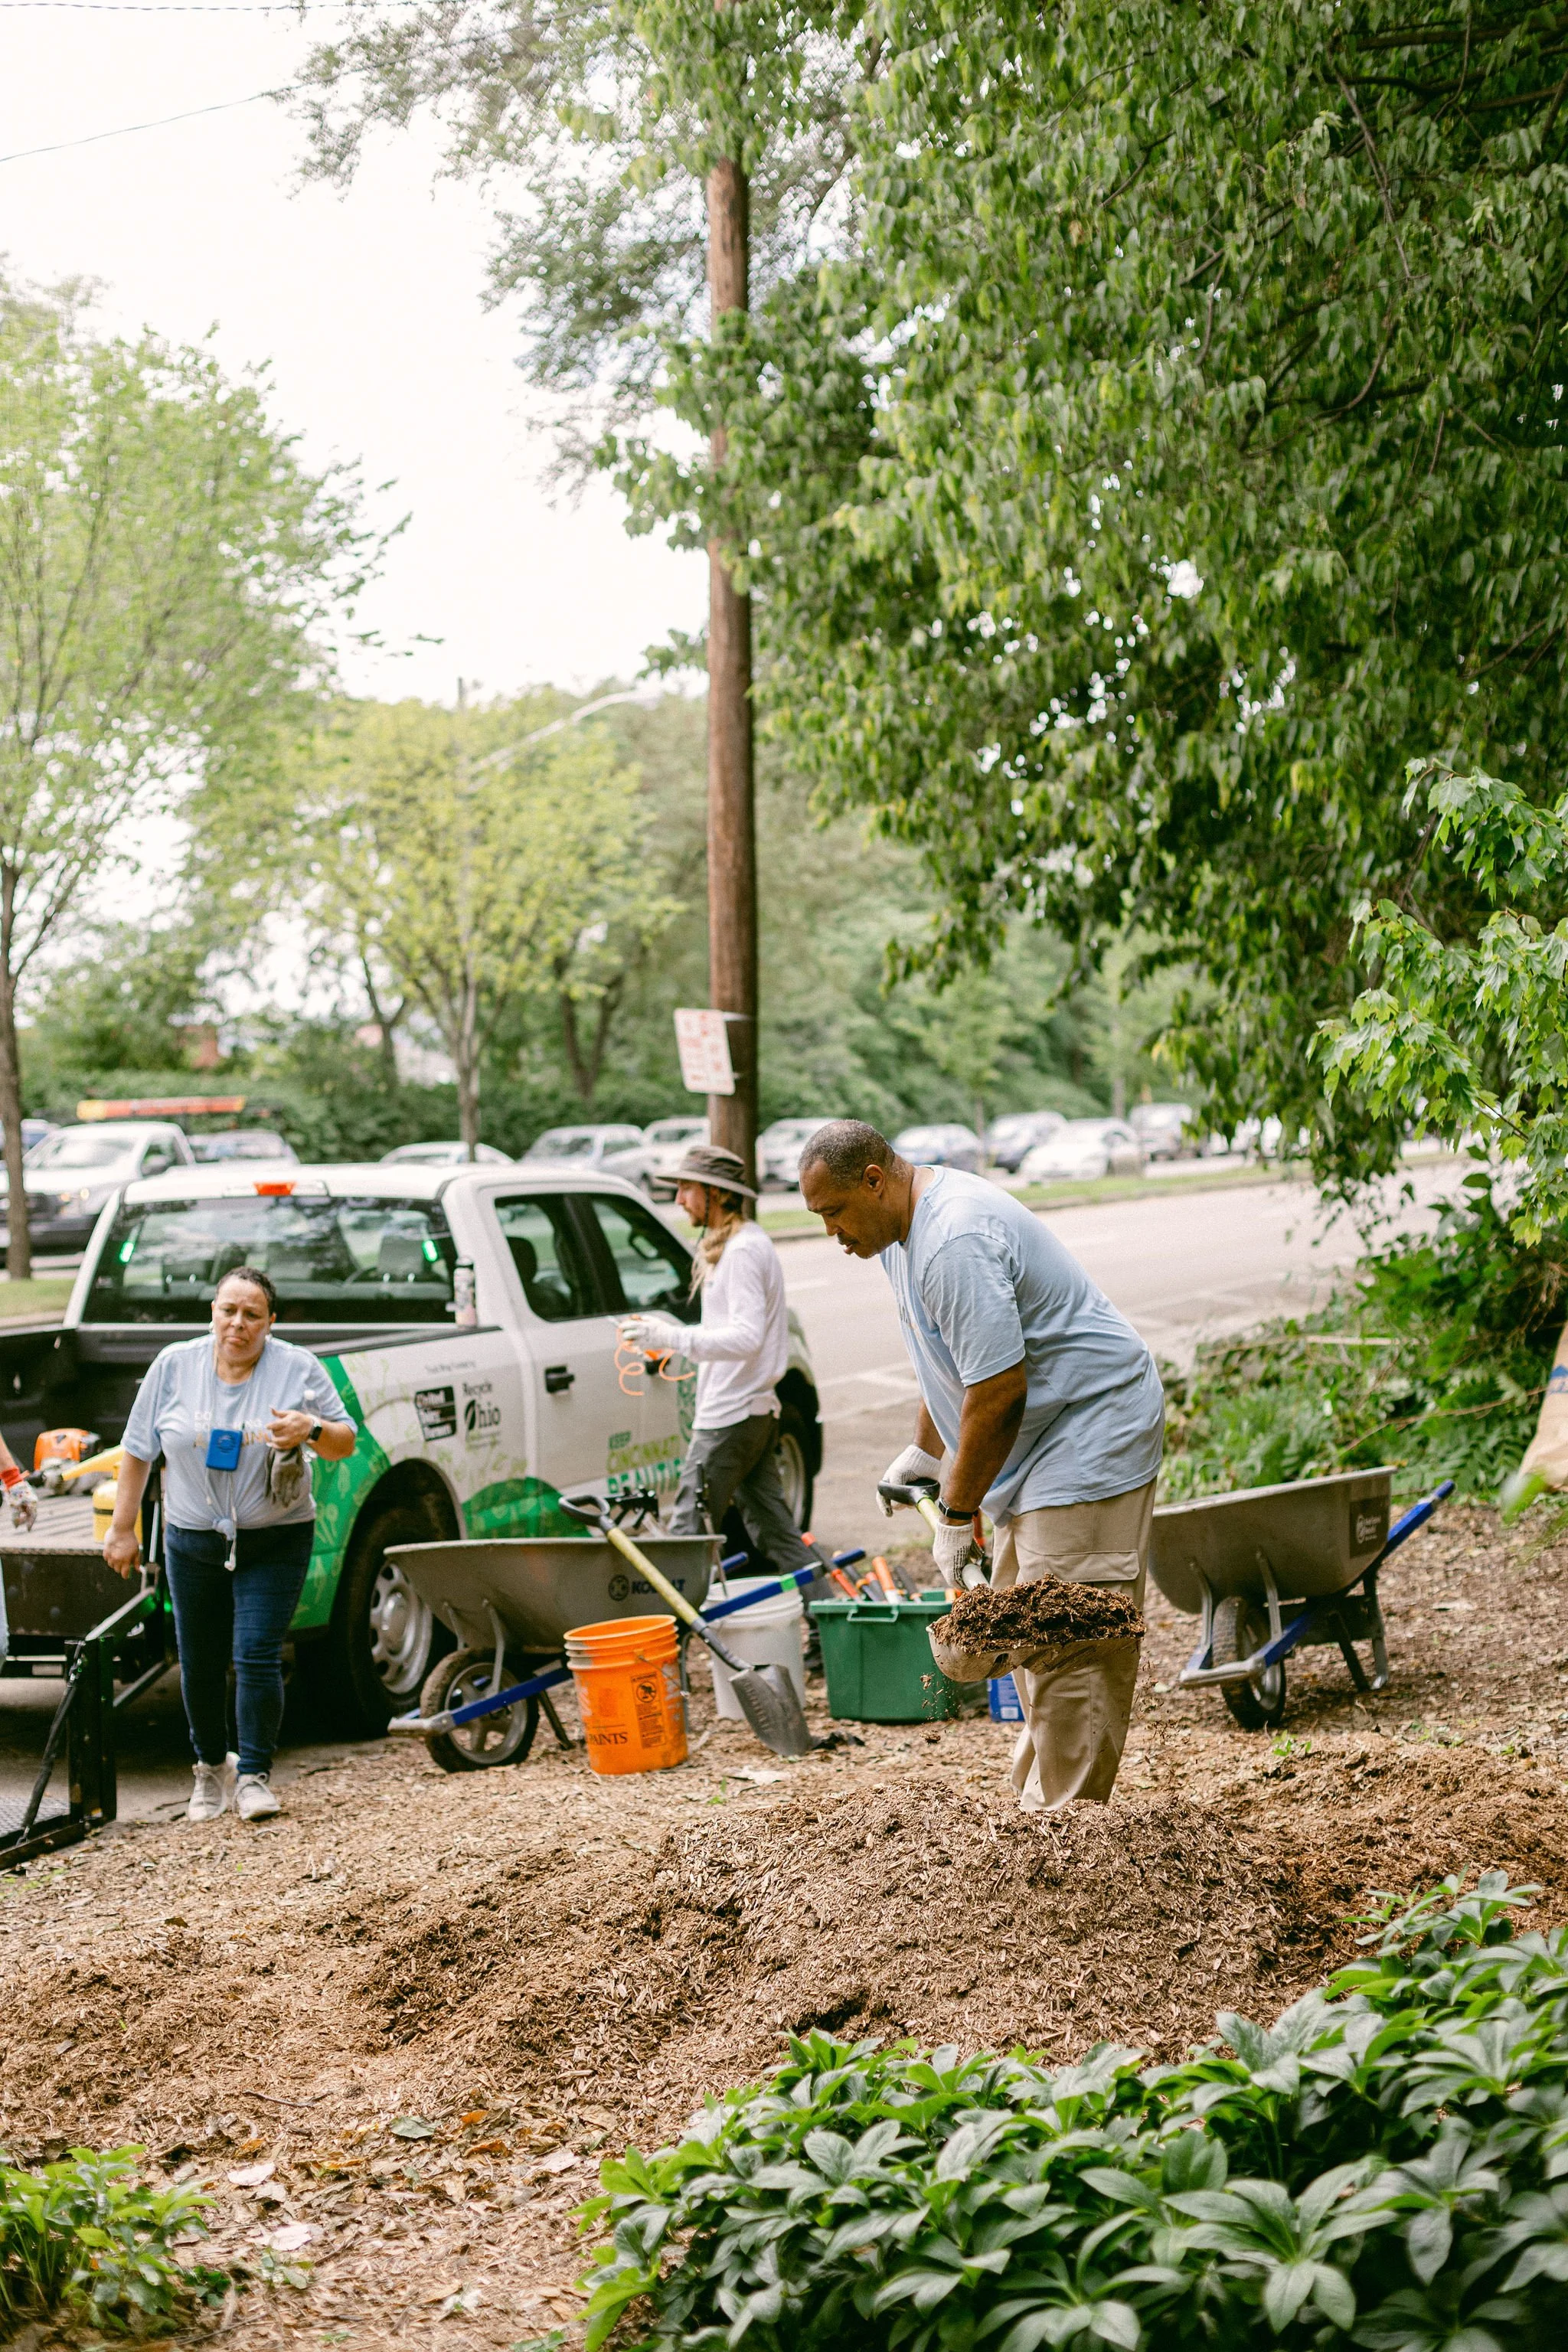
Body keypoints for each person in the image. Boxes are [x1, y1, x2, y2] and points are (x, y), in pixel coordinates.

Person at [799, 1119, 1165, 1812]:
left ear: (875, 1181)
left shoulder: (952, 1242)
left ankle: (1070, 1835)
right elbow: (950, 1363)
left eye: (834, 1213)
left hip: (1090, 1429)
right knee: (1025, 1633)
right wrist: (926, 1453)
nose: (831, 1233)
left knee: (1073, 1639)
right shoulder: (896, 1235)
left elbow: (998, 1392)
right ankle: (1037, 1812)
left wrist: (957, 1515)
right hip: (1038, 1442)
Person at [103, 1266, 357, 1822]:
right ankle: (209, 1768)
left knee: (256, 1655)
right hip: (192, 1538)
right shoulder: (174, 1366)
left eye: (252, 1315)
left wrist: (310, 1428)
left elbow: (345, 1441)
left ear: (271, 1323)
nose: (237, 1324)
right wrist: (123, 1529)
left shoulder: (297, 1368)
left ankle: (254, 1776)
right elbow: (139, 1451)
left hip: (276, 1536)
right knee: (198, 1660)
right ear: (212, 1313)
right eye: (228, 1311)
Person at [619, 1143, 822, 1583]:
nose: (678, 1200)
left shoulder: (744, 1251)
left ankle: (673, 1647)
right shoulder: (736, 1245)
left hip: (730, 1416)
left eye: (687, 1189)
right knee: (778, 1535)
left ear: (719, 1194)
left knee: (685, 1536)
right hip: (750, 1411)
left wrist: (669, 1337)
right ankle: (832, 1629)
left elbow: (747, 1338)